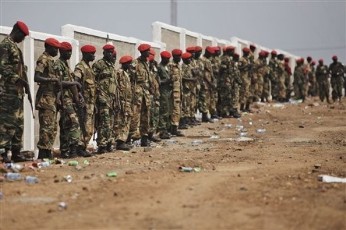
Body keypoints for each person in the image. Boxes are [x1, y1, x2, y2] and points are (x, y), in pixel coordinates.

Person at [55, 42, 91, 158]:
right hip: (64, 98)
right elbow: (59, 82)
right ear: (61, 52)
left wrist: (78, 95)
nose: (69, 54)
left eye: (70, 51)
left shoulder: (66, 65)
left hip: (70, 98)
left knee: (66, 124)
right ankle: (72, 150)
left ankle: (65, 151)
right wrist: (74, 83)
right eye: (67, 51)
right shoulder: (58, 64)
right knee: (73, 123)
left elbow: (72, 84)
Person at [0, 21, 30, 163]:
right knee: (7, 124)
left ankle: (16, 153)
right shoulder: (5, 45)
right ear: (16, 31)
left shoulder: (16, 48)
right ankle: (3, 153)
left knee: (18, 124)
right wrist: (17, 79)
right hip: (8, 92)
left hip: (17, 93)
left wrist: (25, 84)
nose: (22, 39)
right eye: (22, 36)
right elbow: (3, 67)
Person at [35, 37, 60, 159]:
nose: (57, 51)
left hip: (52, 99)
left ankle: (48, 152)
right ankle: (42, 154)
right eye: (56, 48)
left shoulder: (51, 60)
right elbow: (37, 77)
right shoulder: (43, 59)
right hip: (45, 98)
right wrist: (52, 80)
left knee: (52, 128)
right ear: (49, 47)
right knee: (46, 127)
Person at [92, 44, 117, 154]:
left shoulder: (111, 66)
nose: (111, 54)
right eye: (109, 52)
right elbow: (93, 80)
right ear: (104, 53)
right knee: (103, 122)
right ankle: (102, 145)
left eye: (112, 52)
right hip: (102, 97)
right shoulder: (99, 64)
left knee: (110, 121)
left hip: (111, 98)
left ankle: (108, 143)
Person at [73, 44, 96, 152]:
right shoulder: (80, 67)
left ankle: (83, 146)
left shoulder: (89, 68)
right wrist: (78, 97)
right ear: (85, 54)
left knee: (89, 127)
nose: (93, 56)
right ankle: (80, 147)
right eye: (91, 54)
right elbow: (75, 83)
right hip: (84, 102)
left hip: (90, 103)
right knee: (83, 126)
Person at [129, 43, 151, 146]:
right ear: (143, 52)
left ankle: (144, 138)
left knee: (145, 117)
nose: (149, 53)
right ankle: (131, 137)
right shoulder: (135, 63)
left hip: (145, 95)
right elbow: (130, 79)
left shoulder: (146, 63)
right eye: (148, 51)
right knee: (135, 116)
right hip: (137, 94)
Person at [113, 55, 134, 151]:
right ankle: (120, 142)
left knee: (126, 120)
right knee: (120, 121)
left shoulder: (126, 73)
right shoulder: (119, 73)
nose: (130, 65)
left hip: (127, 101)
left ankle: (123, 140)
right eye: (129, 64)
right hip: (121, 101)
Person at [157, 51, 173, 139]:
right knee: (164, 111)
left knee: (168, 111)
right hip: (163, 92)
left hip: (168, 92)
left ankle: (166, 129)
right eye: (167, 59)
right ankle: (162, 131)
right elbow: (157, 81)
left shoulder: (166, 67)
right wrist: (166, 81)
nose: (168, 60)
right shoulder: (159, 68)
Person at [169, 49, 184, 136]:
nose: (180, 58)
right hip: (173, 92)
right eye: (178, 56)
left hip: (178, 91)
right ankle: (173, 129)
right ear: (174, 56)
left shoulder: (178, 66)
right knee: (175, 110)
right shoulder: (171, 66)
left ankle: (175, 128)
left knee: (177, 109)